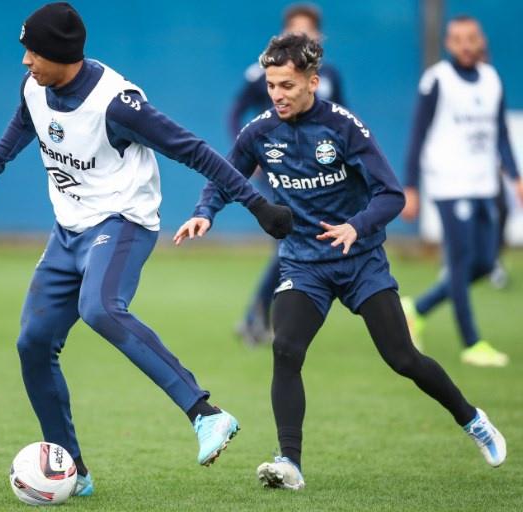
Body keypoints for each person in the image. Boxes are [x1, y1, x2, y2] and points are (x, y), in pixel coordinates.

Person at [0, 2, 292, 498]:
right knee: (32, 343)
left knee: (100, 308)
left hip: (122, 223)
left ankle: (206, 414)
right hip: (68, 231)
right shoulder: (36, 86)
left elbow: (194, 150)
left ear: (61, 53)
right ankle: (72, 469)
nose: (26, 61)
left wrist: (258, 205)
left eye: (33, 52)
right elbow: (24, 122)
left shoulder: (117, 103)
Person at [175, 32, 506, 491]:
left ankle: (472, 419)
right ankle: (289, 462)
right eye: (272, 86)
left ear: (313, 82)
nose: (277, 95)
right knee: (286, 349)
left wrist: (356, 226)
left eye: (287, 85)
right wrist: (203, 213)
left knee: (403, 358)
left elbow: (390, 195)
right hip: (303, 265)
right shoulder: (260, 132)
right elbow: (225, 177)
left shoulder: (344, 128)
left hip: (360, 261)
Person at [400, 16, 522, 367]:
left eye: (471, 38)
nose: (465, 45)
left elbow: (499, 132)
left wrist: (515, 177)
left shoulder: (491, 78)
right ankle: (472, 343)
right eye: (457, 39)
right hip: (450, 183)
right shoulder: (437, 80)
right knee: (459, 262)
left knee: (486, 263)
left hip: (485, 183)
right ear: (449, 44)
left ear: (480, 41)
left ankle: (416, 308)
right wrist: (411, 187)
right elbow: (417, 135)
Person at [229, 3, 345, 346]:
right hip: (282, 169)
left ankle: (262, 316)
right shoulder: (260, 73)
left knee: (296, 244)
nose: (301, 38)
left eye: (307, 32)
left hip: (321, 174)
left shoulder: (329, 77)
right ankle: (260, 316)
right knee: (291, 241)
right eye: (295, 32)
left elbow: (344, 118)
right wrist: (251, 155)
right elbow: (235, 112)